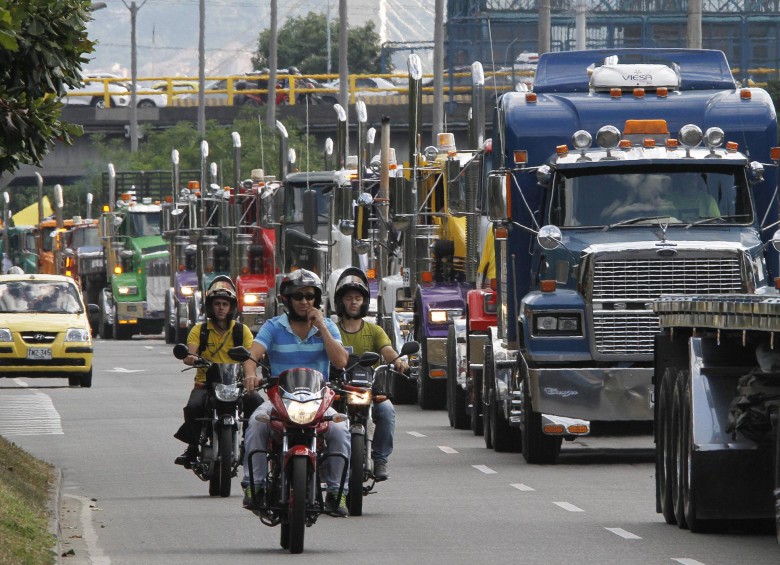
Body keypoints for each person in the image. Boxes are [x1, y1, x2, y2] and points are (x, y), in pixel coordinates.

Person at [241, 269, 350, 516]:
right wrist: (250, 374)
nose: (304, 301)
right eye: (298, 296)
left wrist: (321, 325)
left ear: (317, 299)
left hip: (319, 400)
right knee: (256, 424)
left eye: (309, 296)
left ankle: (336, 491)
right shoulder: (273, 326)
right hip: (278, 400)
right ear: (286, 300)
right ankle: (254, 486)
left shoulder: (329, 327)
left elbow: (341, 361)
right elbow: (252, 356)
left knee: (341, 429)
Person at [332, 267, 408, 482]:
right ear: (340, 302)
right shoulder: (332, 329)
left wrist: (398, 361)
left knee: (386, 410)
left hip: (368, 387)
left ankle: (380, 459)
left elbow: (387, 350)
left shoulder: (374, 330)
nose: (353, 302)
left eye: (358, 298)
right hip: (338, 388)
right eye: (349, 298)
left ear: (364, 302)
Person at [173, 275, 256, 468]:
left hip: (235, 384)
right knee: (193, 407)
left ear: (231, 307)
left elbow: (250, 357)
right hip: (206, 384)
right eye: (217, 303)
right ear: (210, 306)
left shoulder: (242, 331)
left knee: (257, 404)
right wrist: (191, 357)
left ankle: (249, 445)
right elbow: (189, 353)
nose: (221, 308)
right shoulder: (199, 330)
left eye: (225, 304)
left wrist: (251, 375)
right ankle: (193, 447)